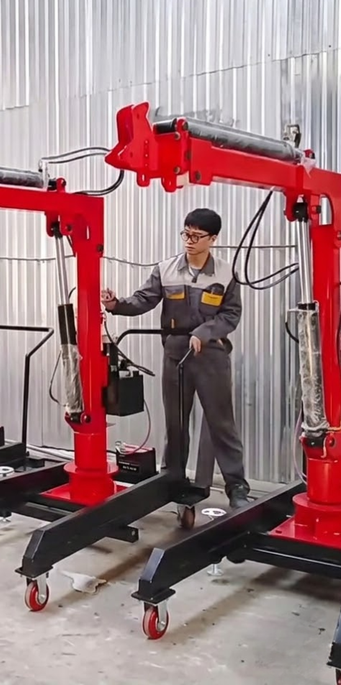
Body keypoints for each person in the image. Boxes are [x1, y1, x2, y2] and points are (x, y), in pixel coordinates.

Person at [102, 207, 251, 509]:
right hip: (175, 354)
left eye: (197, 236)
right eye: (186, 234)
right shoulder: (166, 269)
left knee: (221, 423)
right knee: (175, 423)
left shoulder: (226, 273)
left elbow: (231, 315)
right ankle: (172, 479)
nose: (189, 241)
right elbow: (143, 300)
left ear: (213, 239)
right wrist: (116, 304)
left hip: (211, 355)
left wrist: (204, 332)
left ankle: (237, 486)